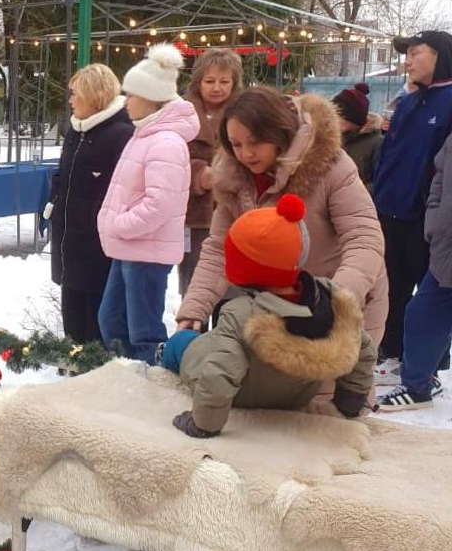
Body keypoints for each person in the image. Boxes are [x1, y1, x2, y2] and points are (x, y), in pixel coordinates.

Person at [176, 87, 387, 348]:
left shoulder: (330, 166)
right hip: (280, 307)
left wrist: (334, 300)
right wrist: (194, 309)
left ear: (279, 132)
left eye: (255, 142)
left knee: (329, 388)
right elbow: (221, 249)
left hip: (345, 304)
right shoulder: (235, 178)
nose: (246, 154)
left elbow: (364, 239)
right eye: (236, 144)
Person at [160, 195, 375, 438]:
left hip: (242, 395)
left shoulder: (243, 315)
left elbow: (219, 375)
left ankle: (163, 357)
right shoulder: (331, 304)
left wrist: (202, 425)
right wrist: (347, 405)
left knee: (181, 343)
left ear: (244, 268)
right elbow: (363, 350)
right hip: (293, 398)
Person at [96, 44, 199, 363]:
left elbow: (159, 204)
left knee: (142, 332)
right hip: (131, 247)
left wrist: (120, 224)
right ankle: (126, 383)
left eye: (133, 95)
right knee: (112, 322)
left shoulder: (165, 142)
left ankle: (151, 388)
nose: (126, 102)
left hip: (144, 250)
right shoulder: (146, 135)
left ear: (153, 97)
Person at [372, 30, 452, 381]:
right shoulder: (405, 102)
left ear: (439, 56)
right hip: (390, 211)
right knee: (393, 285)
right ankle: (392, 350)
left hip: (427, 217)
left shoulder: (449, 101)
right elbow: (388, 155)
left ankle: (431, 363)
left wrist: (432, 212)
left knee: (429, 295)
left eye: (415, 53)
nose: (407, 61)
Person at [47, 64, 133, 343]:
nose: (71, 101)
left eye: (76, 94)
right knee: (71, 314)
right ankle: (74, 367)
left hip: (98, 248)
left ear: (95, 96)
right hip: (70, 241)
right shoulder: (76, 131)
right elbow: (63, 174)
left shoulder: (121, 134)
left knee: (95, 320)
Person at [377, 128, 452, 410]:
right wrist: (435, 222)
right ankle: (419, 383)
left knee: (426, 312)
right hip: (446, 247)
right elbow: (439, 179)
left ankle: (419, 383)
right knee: (423, 313)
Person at [180, 48, 244, 299]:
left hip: (233, 212)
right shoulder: (182, 112)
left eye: (224, 81)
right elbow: (171, 156)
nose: (217, 87)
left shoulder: (244, 113)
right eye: (210, 81)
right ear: (198, 81)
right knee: (193, 284)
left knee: (229, 287)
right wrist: (198, 174)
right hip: (192, 214)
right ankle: (193, 334)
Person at [333, 82, 382, 192]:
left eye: (340, 114)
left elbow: (380, 181)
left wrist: (355, 193)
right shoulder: (334, 140)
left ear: (354, 118)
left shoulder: (377, 143)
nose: (335, 119)